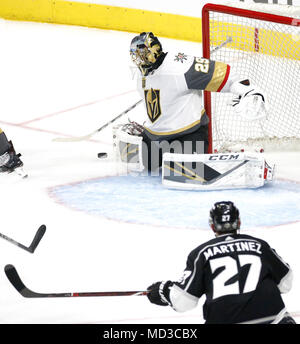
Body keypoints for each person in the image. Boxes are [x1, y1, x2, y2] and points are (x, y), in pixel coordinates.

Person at [126, 32, 266, 172]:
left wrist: (246, 90)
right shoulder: (142, 72)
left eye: (142, 55)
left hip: (188, 134)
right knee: (138, 163)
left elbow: (223, 74)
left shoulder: (180, 66)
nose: (138, 60)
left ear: (154, 51)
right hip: (157, 136)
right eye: (136, 55)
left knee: (181, 171)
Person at [146, 201, 295, 324]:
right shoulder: (260, 246)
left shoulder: (201, 254)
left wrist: (164, 291)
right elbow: (286, 283)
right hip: (273, 320)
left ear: (212, 226)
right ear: (239, 222)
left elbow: (184, 301)